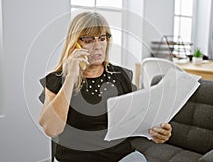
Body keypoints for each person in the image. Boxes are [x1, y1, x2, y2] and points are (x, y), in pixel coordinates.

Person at [39, 12, 172, 162]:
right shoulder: (57, 79)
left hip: (121, 157)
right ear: (75, 44)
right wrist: (70, 77)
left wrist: (156, 131)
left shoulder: (120, 75)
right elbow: (51, 129)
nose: (98, 45)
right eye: (89, 40)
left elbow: (138, 119)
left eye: (102, 38)